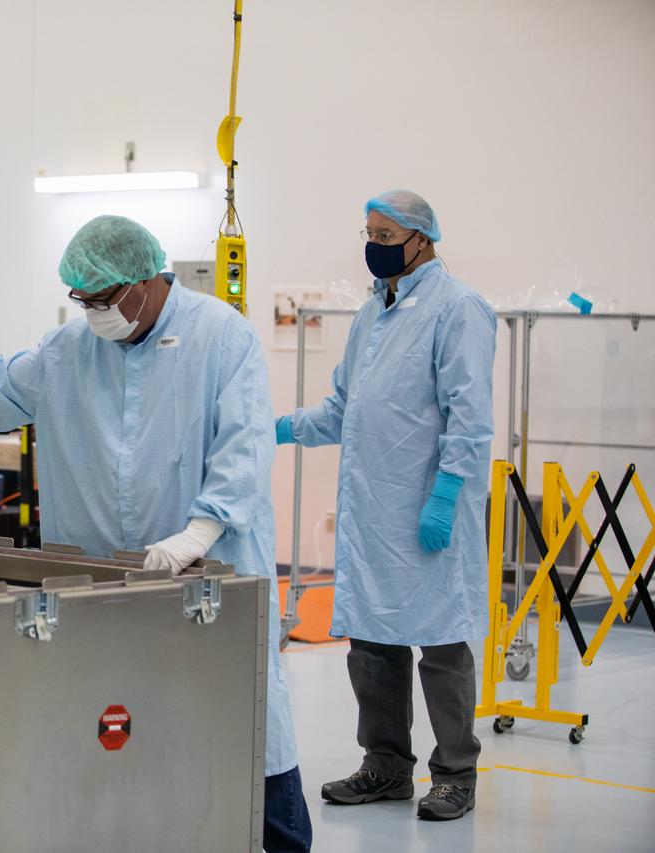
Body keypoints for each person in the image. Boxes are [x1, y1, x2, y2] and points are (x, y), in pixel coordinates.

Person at [0, 215, 312, 852]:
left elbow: (245, 443)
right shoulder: (68, 352)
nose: (95, 314)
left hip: (209, 577)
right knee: (120, 730)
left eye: (104, 299)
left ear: (146, 280)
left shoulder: (222, 336)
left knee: (243, 726)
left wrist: (199, 533)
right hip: (101, 584)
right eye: (83, 301)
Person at [276, 189, 495, 822]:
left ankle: (454, 773)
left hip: (428, 511)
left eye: (386, 236)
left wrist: (446, 496)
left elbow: (470, 420)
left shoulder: (458, 310)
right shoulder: (373, 313)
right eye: (367, 232)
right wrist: (279, 428)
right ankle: (386, 766)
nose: (373, 246)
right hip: (373, 513)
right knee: (371, 642)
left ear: (423, 240)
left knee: (441, 643)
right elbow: (344, 409)